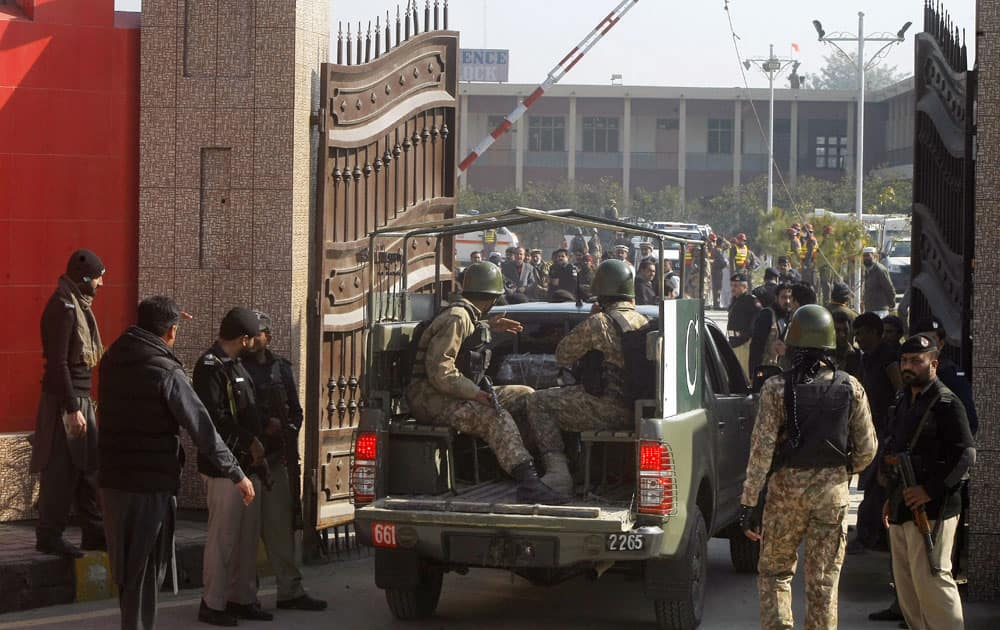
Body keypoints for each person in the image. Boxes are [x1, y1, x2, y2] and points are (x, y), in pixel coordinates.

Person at [98, 296, 255, 630]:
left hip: (112, 480)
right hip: (149, 486)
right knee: (145, 568)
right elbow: (202, 427)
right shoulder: (167, 370)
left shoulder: (112, 358)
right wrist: (236, 472)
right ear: (169, 332)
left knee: (126, 570)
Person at [739, 305, 877, 630]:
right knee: (824, 582)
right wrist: (840, 473)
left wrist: (749, 501)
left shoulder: (775, 389)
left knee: (775, 573)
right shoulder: (851, 387)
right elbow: (868, 448)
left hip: (785, 496)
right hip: (831, 498)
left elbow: (761, 452)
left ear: (791, 345)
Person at [406, 262, 565, 504]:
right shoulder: (457, 317)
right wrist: (475, 394)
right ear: (491, 298)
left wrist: (490, 326)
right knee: (496, 416)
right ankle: (528, 482)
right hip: (431, 398)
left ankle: (512, 464)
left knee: (526, 395)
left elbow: (466, 338)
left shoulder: (467, 316)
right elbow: (440, 371)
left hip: (451, 393)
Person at [526, 260, 650, 494]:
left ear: (601, 292)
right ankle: (580, 468)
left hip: (606, 408)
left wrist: (589, 320)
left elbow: (563, 355)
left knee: (537, 401)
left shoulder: (599, 322)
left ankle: (558, 474)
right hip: (637, 410)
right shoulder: (643, 321)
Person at [881, 333, 975, 630]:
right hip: (902, 503)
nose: (908, 366)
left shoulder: (946, 402)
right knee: (907, 585)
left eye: (916, 361)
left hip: (934, 508)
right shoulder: (903, 401)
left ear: (933, 363)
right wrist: (891, 498)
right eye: (905, 361)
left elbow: (966, 456)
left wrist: (930, 490)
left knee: (933, 580)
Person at [242, 312, 327, 612]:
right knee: (245, 536)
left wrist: (287, 430)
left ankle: (289, 590)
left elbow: (297, 412)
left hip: (277, 461)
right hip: (246, 463)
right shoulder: (235, 367)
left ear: (269, 336)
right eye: (249, 334)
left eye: (258, 333)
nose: (253, 339)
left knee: (280, 530)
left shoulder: (281, 368)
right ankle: (244, 596)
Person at [193, 307, 271, 625]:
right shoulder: (209, 367)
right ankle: (213, 603)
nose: (255, 341)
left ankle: (242, 598)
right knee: (223, 538)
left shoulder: (236, 364)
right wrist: (248, 441)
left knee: (246, 538)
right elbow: (214, 420)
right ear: (243, 338)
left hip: (248, 467)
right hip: (224, 468)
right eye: (252, 336)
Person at [31, 249, 107, 558]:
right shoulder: (63, 308)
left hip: (79, 398)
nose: (102, 284)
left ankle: (94, 532)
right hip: (67, 401)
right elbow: (58, 363)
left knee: (88, 469)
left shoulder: (79, 306)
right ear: (85, 278)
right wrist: (72, 408)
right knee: (61, 470)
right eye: (99, 277)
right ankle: (49, 535)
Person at [851, 312, 903, 554]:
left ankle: (869, 536)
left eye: (861, 333)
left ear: (874, 333)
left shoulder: (888, 357)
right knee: (872, 484)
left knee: (876, 484)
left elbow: (900, 390)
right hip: (869, 427)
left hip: (885, 430)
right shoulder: (867, 358)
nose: (858, 338)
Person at [749, 283, 793, 374]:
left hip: (785, 371)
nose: (787, 301)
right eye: (784, 297)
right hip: (767, 370)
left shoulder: (792, 317)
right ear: (776, 298)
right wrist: (754, 373)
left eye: (790, 297)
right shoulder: (767, 315)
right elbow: (756, 346)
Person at [727, 273, 760, 380]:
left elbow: (758, 318)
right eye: (732, 285)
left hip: (744, 343)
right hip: (733, 342)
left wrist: (749, 336)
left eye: (736, 286)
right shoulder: (735, 301)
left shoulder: (750, 300)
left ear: (745, 287)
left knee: (744, 375)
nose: (733, 288)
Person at [862, 247, 896, 315]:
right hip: (869, 309)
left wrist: (892, 304)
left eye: (868, 255)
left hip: (880, 311)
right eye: (864, 256)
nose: (865, 258)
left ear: (875, 256)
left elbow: (889, 289)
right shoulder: (868, 270)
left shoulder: (880, 270)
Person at [831, 311, 861, 377]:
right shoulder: (823, 355)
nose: (842, 335)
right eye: (837, 330)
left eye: (845, 330)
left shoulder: (857, 355)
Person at [709, 233, 729, 309]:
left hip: (717, 271)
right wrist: (725, 264)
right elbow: (721, 261)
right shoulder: (717, 250)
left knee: (717, 288)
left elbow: (728, 245)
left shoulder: (717, 249)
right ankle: (716, 304)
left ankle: (716, 303)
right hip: (717, 271)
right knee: (717, 288)